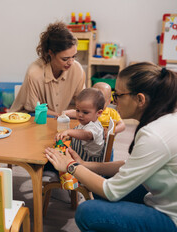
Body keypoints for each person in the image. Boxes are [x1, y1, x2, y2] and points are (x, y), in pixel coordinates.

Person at [45, 62, 177, 232]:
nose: (114, 102)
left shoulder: (153, 136)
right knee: (98, 186)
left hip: (171, 219)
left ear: (140, 99)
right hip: (161, 198)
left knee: (87, 211)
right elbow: (129, 166)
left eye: (118, 95)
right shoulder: (165, 120)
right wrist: (85, 165)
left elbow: (112, 191)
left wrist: (71, 166)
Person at [10, 21, 85, 117]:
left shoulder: (77, 70)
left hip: (55, 118)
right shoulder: (34, 73)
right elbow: (34, 109)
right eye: (65, 59)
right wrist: (62, 115)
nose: (71, 62)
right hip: (28, 118)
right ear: (51, 53)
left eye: (74, 56)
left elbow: (83, 102)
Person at [56, 88, 105, 162]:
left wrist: (69, 131)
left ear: (98, 113)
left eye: (85, 112)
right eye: (78, 110)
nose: (80, 115)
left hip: (88, 163)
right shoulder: (86, 121)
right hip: (78, 156)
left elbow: (86, 134)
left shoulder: (95, 127)